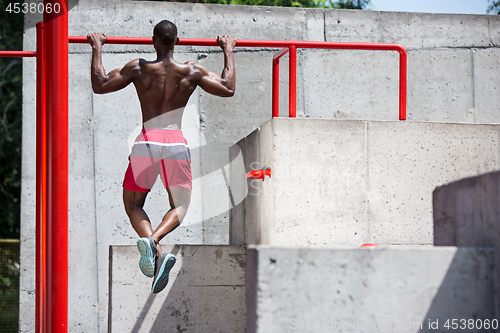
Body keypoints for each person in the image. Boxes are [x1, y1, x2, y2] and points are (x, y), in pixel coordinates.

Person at [87, 20, 236, 293]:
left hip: (146, 141)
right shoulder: (192, 70)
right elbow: (227, 87)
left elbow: (100, 84)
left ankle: (152, 246)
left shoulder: (139, 67)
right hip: (175, 143)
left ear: (153, 41)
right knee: (180, 207)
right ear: (176, 42)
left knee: (133, 205)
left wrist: (97, 47)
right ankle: (155, 241)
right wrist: (227, 49)